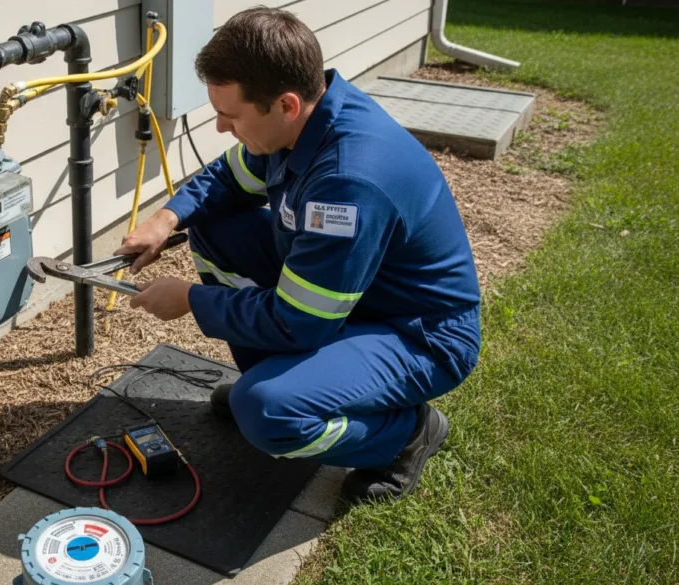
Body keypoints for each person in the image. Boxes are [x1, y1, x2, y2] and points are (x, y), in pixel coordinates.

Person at [115, 7, 481, 501]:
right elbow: (225, 179)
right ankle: (286, 382)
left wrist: (190, 300)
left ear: (285, 104)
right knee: (216, 228)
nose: (222, 127)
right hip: (351, 294)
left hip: (417, 332)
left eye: (230, 114)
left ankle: (405, 434)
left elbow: (299, 322)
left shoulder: (348, 182)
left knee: (268, 413)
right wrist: (166, 220)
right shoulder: (304, 121)